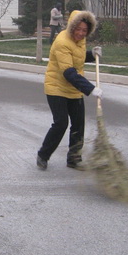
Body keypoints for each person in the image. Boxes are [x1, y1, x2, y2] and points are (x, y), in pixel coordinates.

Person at [37, 10, 102, 170]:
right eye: (78, 29)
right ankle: (43, 155)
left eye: (84, 30)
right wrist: (90, 88)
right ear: (72, 27)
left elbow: (77, 56)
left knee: (78, 124)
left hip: (74, 87)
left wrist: (91, 55)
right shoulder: (62, 42)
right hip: (56, 87)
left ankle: (74, 159)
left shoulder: (80, 40)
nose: (81, 33)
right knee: (61, 123)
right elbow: (68, 71)